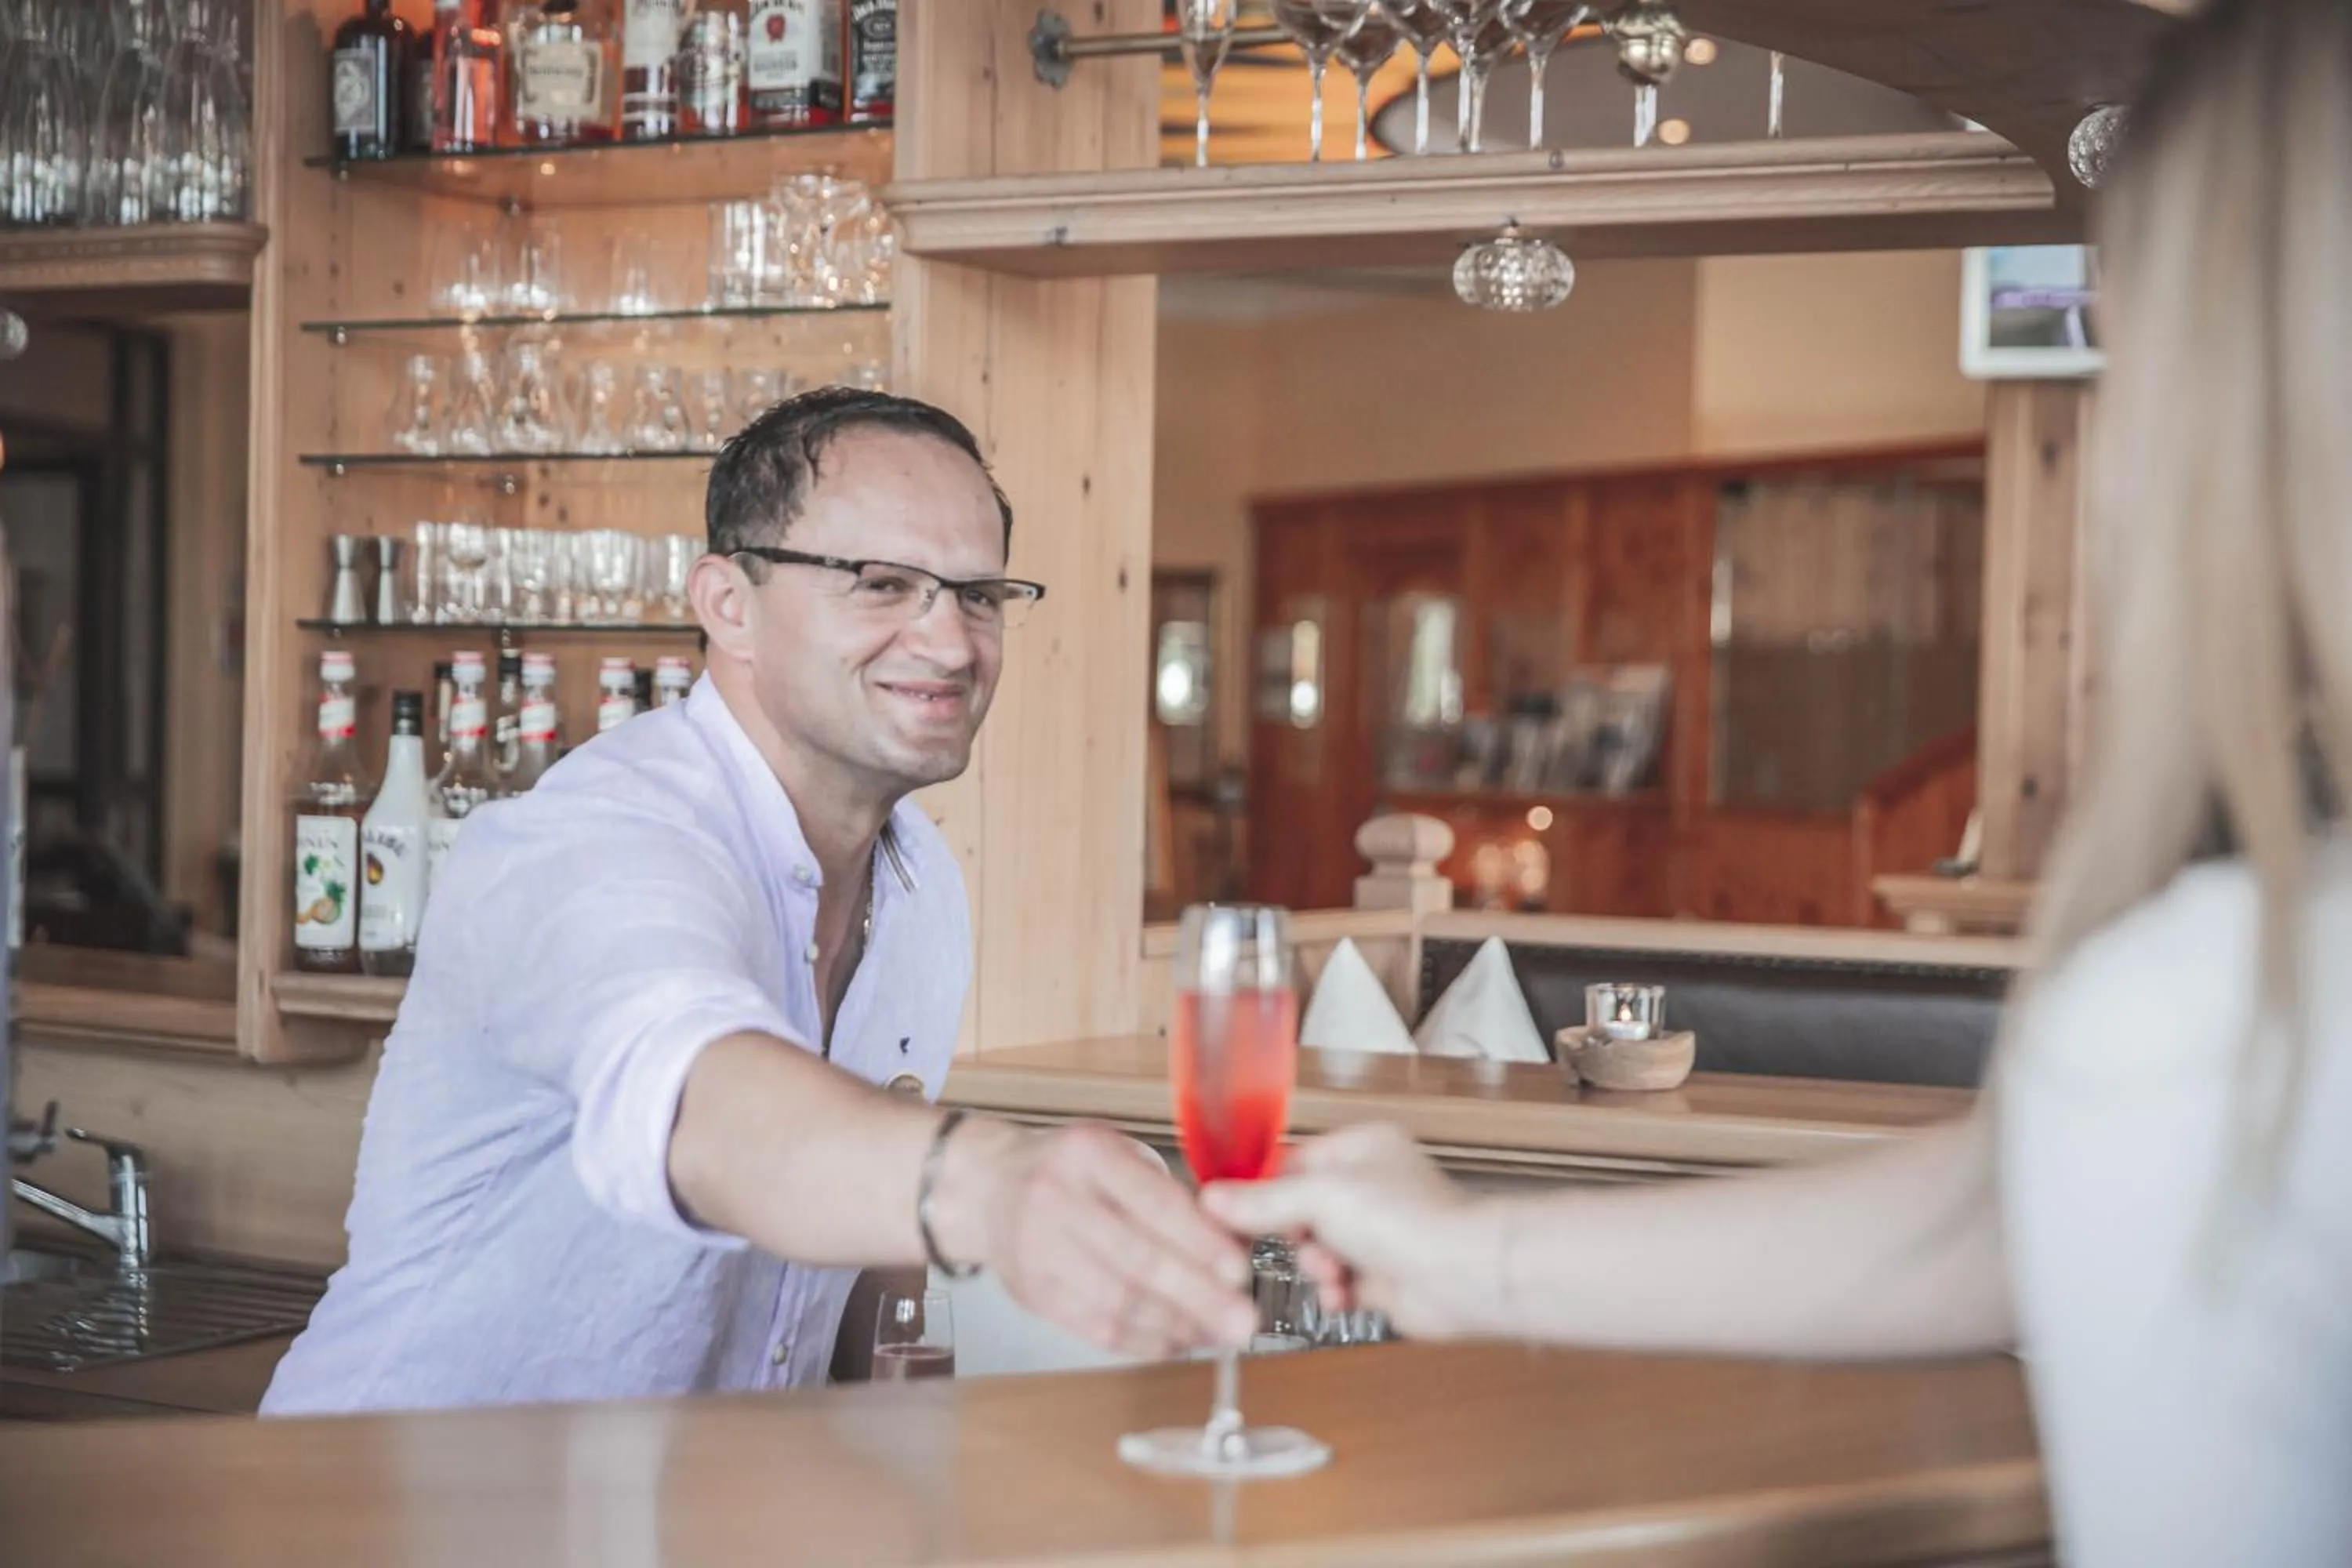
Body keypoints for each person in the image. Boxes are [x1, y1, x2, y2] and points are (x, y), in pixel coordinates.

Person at [1206, 3, 2352, 1563]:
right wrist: (1470, 1252)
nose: (2117, 447)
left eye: (2118, 349)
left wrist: (1470, 1251)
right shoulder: (2236, 997)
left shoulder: (2232, 991)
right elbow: (1986, 1229)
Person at [265, 390, 1254, 1415]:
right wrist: (991, 1186)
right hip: (394, 1517)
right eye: (883, 585)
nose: (953, 645)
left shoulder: (919, 888)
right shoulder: (597, 840)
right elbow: (709, 1109)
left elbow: (819, 1280)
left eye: (979, 595)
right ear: (728, 604)